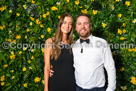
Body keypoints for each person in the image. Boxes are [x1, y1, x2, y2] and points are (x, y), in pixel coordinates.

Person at [50, 13, 116, 91]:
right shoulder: (73, 45)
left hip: (97, 89)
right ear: (76, 27)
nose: (82, 27)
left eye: (85, 23)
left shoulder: (102, 43)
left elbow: (110, 67)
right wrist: (50, 69)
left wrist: (110, 89)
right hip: (77, 88)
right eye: (79, 24)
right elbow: (66, 62)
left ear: (90, 26)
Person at [44, 13, 76, 91]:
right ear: (60, 23)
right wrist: (46, 88)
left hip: (71, 85)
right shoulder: (50, 42)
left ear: (72, 27)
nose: (67, 26)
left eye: (70, 24)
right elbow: (47, 66)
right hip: (55, 84)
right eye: (64, 22)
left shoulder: (73, 44)